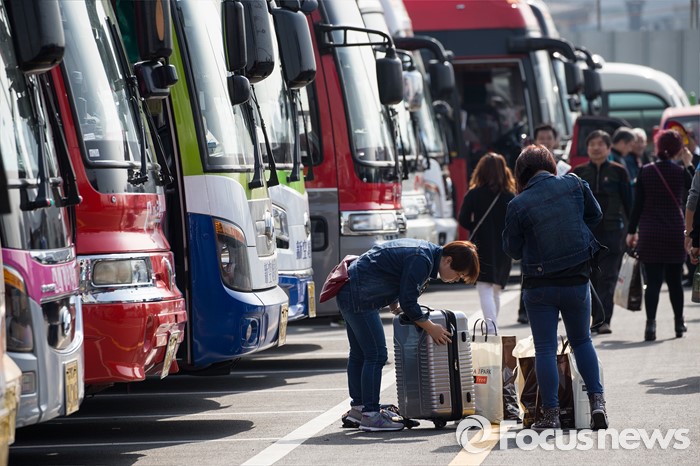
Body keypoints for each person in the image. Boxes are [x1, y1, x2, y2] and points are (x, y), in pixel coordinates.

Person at [502, 145, 608, 431]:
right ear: (549, 164)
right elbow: (596, 215)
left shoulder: (518, 204)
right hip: (576, 279)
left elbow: (512, 249)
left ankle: (551, 415)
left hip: (540, 286)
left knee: (545, 348)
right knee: (582, 341)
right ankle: (597, 403)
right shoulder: (574, 183)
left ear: (521, 173)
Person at [336, 239, 480, 431]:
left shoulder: (424, 253)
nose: (456, 279)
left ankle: (359, 409)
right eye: (459, 274)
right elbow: (409, 302)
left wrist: (393, 303)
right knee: (376, 355)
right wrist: (431, 327)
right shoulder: (422, 259)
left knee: (360, 354)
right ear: (448, 260)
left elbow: (391, 272)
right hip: (360, 297)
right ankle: (371, 415)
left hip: (349, 289)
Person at [626, 130, 693, 341]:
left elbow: (637, 205)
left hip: (650, 232)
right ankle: (679, 323)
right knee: (675, 281)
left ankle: (651, 326)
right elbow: (695, 189)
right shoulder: (681, 172)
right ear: (678, 150)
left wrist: (631, 231)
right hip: (674, 231)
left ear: (657, 147)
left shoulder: (645, 171)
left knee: (653, 282)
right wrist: (689, 164)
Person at [573, 130, 632, 334]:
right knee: (590, 277)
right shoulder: (578, 172)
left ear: (609, 148)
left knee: (608, 277)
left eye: (600, 144)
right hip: (586, 234)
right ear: (587, 148)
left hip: (612, 232)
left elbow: (629, 203)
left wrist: (633, 231)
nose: (596, 148)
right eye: (592, 144)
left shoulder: (619, 171)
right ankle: (594, 318)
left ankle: (604, 320)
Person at [458, 153, 515, 331]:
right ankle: (492, 326)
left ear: (480, 171)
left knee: (484, 287)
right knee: (496, 289)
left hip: (481, 246)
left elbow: (463, 219)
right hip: (504, 248)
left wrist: (476, 226)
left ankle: (491, 328)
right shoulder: (509, 196)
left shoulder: (473, 194)